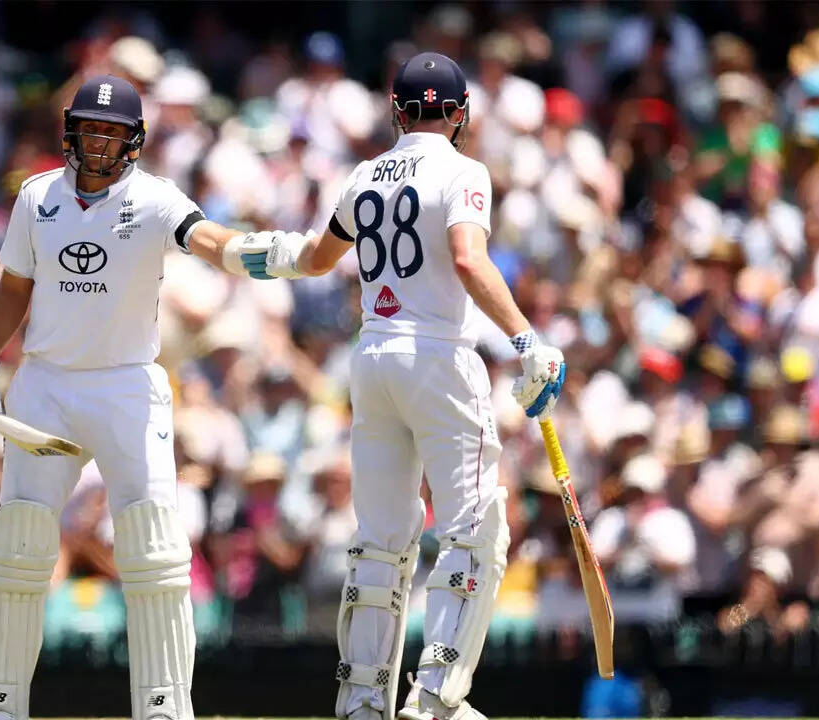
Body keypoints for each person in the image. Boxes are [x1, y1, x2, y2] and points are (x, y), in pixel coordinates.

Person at [0, 75, 307, 720]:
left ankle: (163, 707)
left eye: (112, 131)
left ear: (133, 139)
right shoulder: (37, 197)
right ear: (70, 133)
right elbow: (15, 286)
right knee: (18, 542)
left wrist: (264, 253)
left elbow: (210, 241)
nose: (100, 142)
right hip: (45, 384)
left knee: (155, 546)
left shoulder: (155, 199)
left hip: (126, 386)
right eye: (90, 128)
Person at [226, 53, 566, 720]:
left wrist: (271, 253)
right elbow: (468, 258)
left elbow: (318, 258)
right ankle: (436, 698)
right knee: (476, 528)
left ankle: (359, 703)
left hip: (372, 358)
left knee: (381, 538)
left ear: (396, 110)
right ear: (460, 114)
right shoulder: (464, 172)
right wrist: (527, 340)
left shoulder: (365, 175)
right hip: (438, 357)